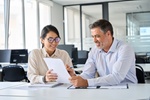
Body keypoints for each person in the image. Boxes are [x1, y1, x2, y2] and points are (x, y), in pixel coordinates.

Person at [68, 19, 137, 87]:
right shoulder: (94, 50)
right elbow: (87, 74)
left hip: (127, 89)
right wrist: (76, 78)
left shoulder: (125, 49)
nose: (94, 40)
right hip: (106, 88)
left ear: (108, 34)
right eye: (93, 37)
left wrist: (86, 83)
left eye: (97, 36)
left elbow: (116, 77)